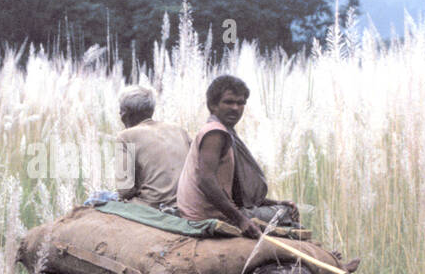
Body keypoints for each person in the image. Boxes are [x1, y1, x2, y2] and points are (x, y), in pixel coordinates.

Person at [176, 75, 299, 238]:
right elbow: (206, 181)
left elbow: (236, 194)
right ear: (213, 105)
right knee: (287, 213)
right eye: (228, 102)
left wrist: (274, 202)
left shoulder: (223, 131)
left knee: (282, 208)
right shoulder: (215, 133)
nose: (235, 108)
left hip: (208, 211)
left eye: (240, 103)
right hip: (207, 215)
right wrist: (241, 220)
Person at [114, 86, 191, 209]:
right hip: (187, 203)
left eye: (121, 110)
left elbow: (125, 191)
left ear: (126, 113)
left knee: (95, 200)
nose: (120, 114)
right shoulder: (179, 130)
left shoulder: (125, 137)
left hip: (153, 206)